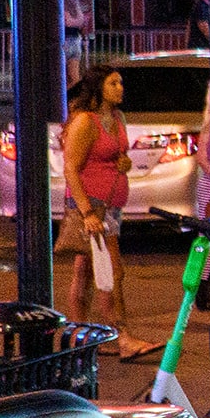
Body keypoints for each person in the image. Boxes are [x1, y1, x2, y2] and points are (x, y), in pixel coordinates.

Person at [59, 65, 157, 360]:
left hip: (111, 205)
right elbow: (71, 168)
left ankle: (79, 337)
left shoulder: (117, 117)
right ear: (98, 87)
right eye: (113, 83)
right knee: (112, 271)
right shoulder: (85, 121)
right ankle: (123, 338)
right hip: (91, 206)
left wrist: (123, 162)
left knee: (85, 271)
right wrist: (87, 213)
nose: (120, 88)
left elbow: (115, 154)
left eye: (121, 82)